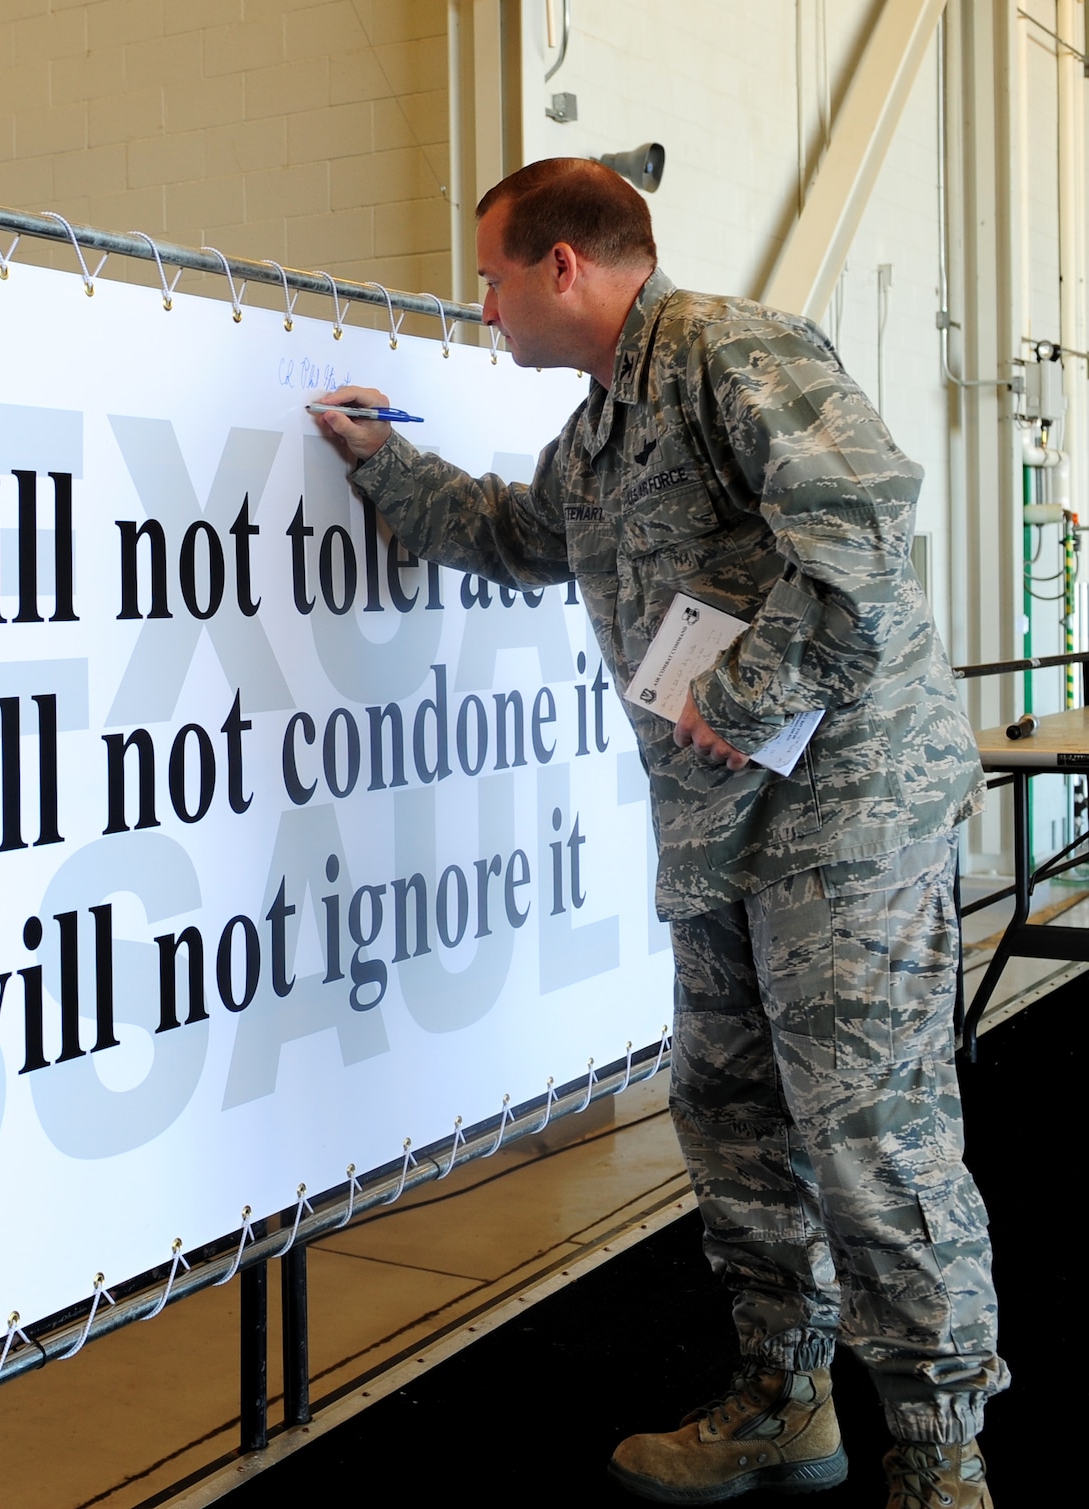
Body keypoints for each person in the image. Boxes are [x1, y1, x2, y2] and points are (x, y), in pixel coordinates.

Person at [316, 158, 1004, 1508]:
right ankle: (783, 1397)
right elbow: (515, 536)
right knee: (733, 1114)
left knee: (869, 1127)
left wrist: (746, 695)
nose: (486, 304)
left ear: (565, 267)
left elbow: (863, 516)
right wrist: (383, 463)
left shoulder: (723, 350)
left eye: (495, 276)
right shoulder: (595, 434)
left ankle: (937, 1451)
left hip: (847, 810)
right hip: (722, 833)